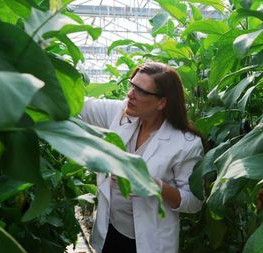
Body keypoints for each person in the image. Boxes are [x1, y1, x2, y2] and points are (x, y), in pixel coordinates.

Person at [81, 62, 204, 253]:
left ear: (161, 102)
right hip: (110, 230)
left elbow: (194, 202)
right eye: (132, 85)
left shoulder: (186, 143)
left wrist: (153, 185)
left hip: (150, 242)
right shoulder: (119, 113)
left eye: (141, 91)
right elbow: (79, 106)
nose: (130, 94)